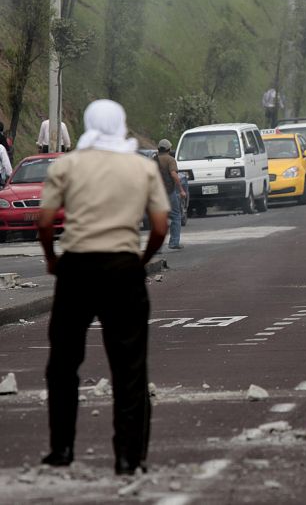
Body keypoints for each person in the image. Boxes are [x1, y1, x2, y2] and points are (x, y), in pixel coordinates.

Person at [37, 99, 170, 476]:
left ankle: (62, 448)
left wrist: (52, 259)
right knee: (130, 366)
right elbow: (160, 226)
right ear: (121, 125)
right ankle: (128, 457)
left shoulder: (67, 165)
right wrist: (141, 260)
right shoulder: (141, 167)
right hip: (123, 269)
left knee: (63, 363)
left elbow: (44, 223)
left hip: (76, 269)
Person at [156, 139, 187, 249]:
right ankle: (174, 242)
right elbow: (174, 174)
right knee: (176, 216)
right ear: (169, 149)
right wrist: (181, 190)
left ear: (158, 149)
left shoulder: (153, 159)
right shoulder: (170, 160)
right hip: (168, 192)